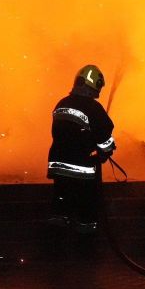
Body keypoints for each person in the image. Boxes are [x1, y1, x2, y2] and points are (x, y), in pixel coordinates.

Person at [46, 64, 115, 233]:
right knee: (86, 209)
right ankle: (86, 244)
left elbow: (59, 133)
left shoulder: (61, 103)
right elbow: (104, 137)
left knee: (61, 205)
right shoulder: (93, 108)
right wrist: (105, 152)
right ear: (95, 85)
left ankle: (56, 241)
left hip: (58, 165)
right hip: (81, 169)